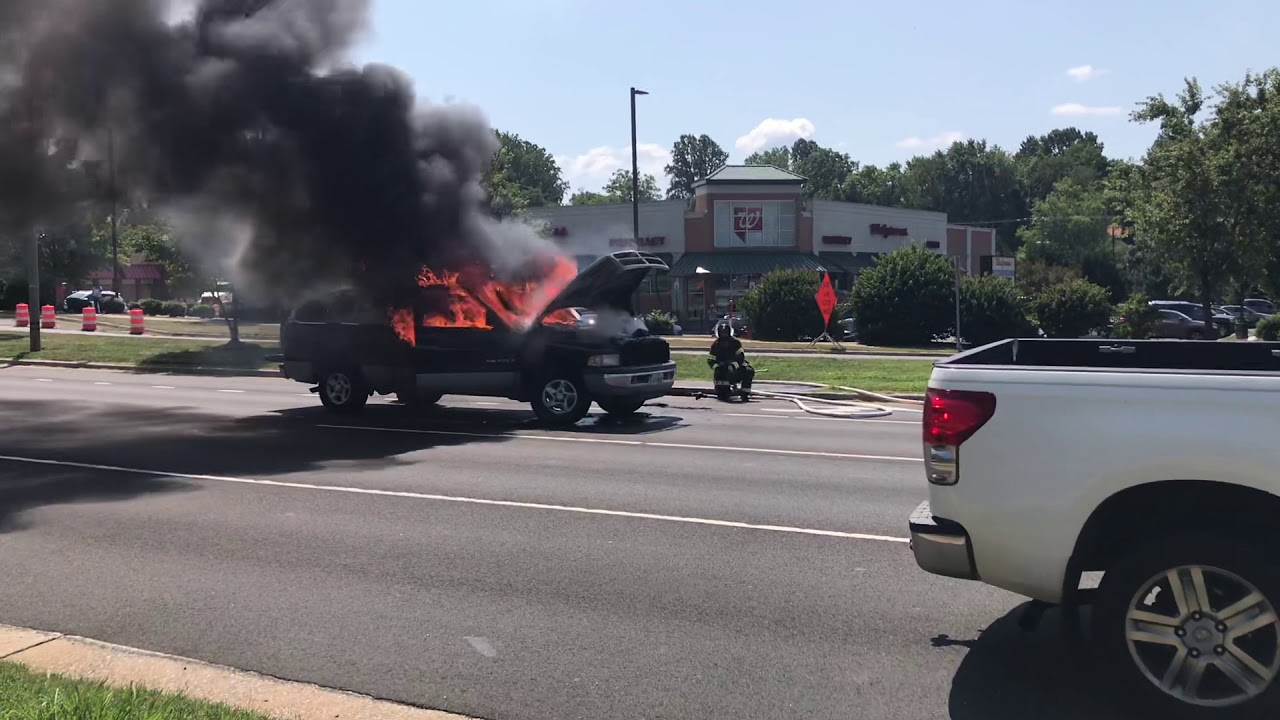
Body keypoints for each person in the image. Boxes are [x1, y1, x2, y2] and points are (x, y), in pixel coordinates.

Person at [706, 322, 754, 399]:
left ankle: (744, 393)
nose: (724, 334)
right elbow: (711, 359)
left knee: (749, 371)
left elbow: (741, 357)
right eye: (722, 332)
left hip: (736, 368)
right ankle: (723, 391)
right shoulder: (715, 345)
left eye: (725, 332)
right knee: (722, 392)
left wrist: (733, 366)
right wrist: (717, 367)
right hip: (721, 371)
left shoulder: (735, 343)